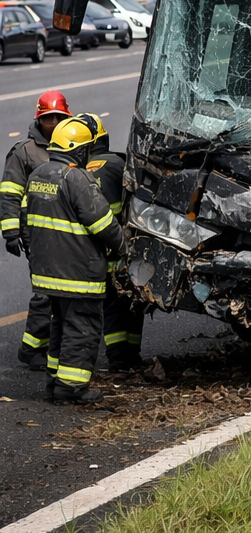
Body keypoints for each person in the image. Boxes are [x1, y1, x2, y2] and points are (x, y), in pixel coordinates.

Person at [23, 116, 124, 404]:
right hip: (78, 273)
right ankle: (72, 388)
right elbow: (103, 223)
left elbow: (26, 221)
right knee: (82, 328)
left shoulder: (38, 175)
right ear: (79, 150)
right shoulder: (76, 177)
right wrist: (125, 246)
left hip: (47, 273)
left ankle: (55, 381)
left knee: (60, 324)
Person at [1, 90, 72, 369]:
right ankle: (31, 348)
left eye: (58, 117)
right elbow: (9, 193)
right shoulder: (25, 152)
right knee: (46, 292)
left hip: (67, 233)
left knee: (63, 293)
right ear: (39, 119)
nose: (53, 123)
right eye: (48, 118)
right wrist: (11, 232)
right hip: (37, 234)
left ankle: (50, 344)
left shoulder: (72, 145)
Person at [78, 114, 143, 371]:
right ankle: (129, 357)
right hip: (123, 249)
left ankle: (117, 357)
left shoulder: (77, 173)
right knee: (133, 302)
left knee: (110, 306)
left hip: (95, 254)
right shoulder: (119, 164)